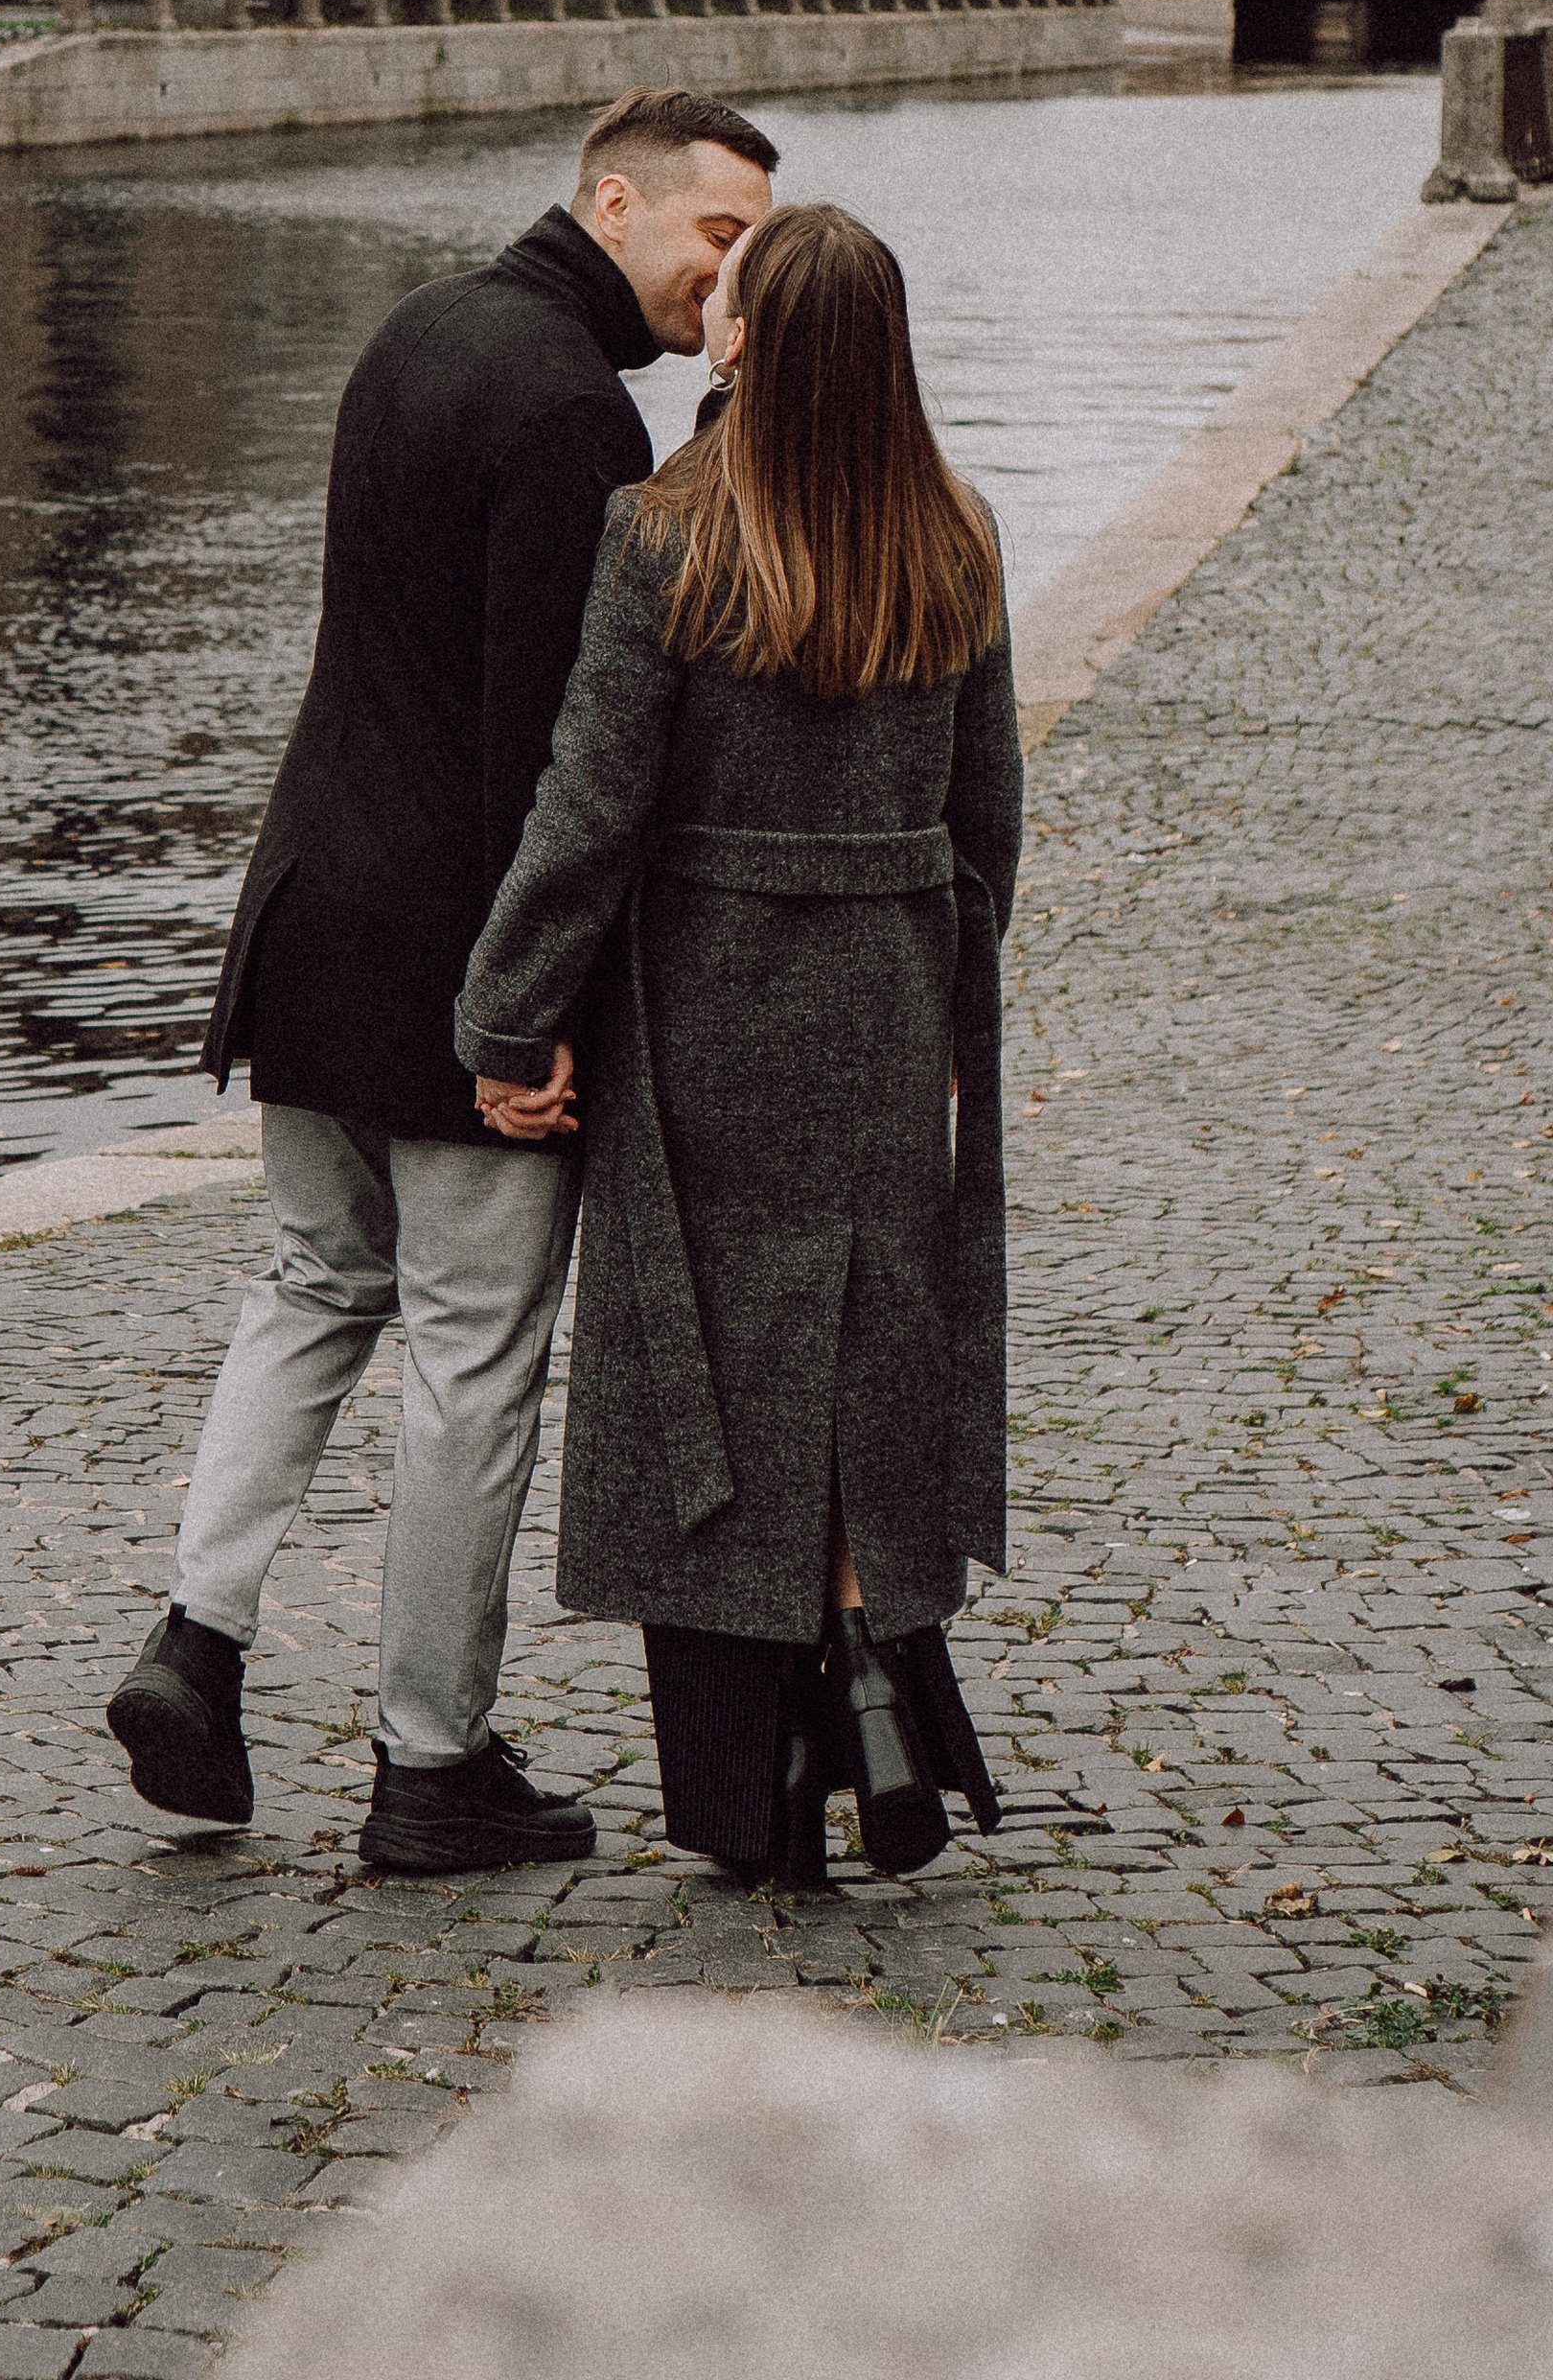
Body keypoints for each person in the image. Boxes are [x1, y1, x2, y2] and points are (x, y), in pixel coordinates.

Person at [108, 89, 780, 1874]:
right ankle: (430, 1762)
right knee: (474, 1357)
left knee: (315, 1285)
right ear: (617, 203)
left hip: (310, 911)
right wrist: (529, 1017)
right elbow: (548, 760)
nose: (734, 282)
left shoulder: (419, 331)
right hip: (454, 956)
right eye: (719, 238)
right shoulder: (574, 422)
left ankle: (198, 1636)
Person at [453, 203, 1022, 1888]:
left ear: (751, 343)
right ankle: (873, 1697)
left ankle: (756, 1794)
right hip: (886, 994)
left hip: (705, 1007)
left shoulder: (665, 537)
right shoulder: (960, 536)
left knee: (710, 1378)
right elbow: (987, 818)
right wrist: (940, 986)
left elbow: (589, 811)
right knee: (859, 1360)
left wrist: (506, 1013)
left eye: (735, 300)